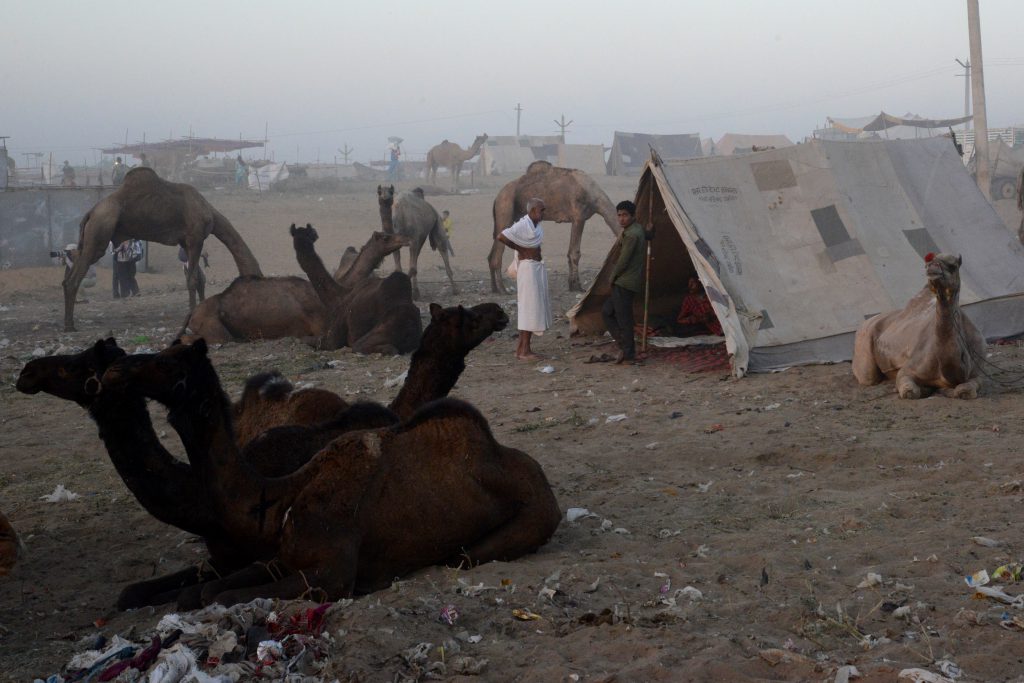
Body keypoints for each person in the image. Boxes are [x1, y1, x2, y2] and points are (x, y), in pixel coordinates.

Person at [497, 198, 552, 360]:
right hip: (527, 269)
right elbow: (502, 236)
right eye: (541, 210)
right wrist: (521, 249)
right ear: (533, 210)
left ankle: (522, 348)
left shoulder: (536, 227)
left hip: (535, 268)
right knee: (530, 309)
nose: (543, 213)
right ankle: (524, 350)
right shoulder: (522, 225)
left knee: (532, 308)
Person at [600, 201, 646, 364]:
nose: (621, 219)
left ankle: (628, 351)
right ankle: (624, 345)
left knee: (623, 318)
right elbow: (646, 234)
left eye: (625, 215)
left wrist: (612, 277)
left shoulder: (631, 235)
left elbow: (623, 260)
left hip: (625, 282)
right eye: (619, 215)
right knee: (608, 311)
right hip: (626, 281)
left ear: (633, 216)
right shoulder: (637, 230)